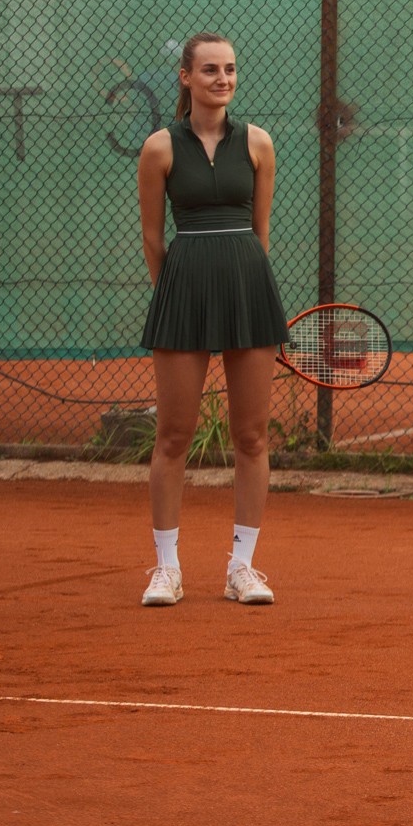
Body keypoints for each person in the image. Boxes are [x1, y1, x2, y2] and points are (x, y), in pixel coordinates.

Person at [135, 33, 290, 608]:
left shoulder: (258, 143)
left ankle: (241, 568)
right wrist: (176, 293)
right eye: (209, 70)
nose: (222, 79)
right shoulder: (159, 148)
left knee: (251, 436)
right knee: (173, 436)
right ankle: (167, 569)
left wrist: (246, 287)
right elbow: (153, 239)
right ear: (185, 77)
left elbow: (261, 233)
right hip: (184, 291)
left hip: (248, 287)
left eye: (229, 69)